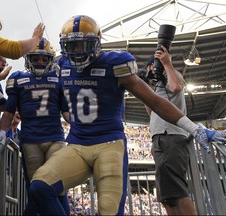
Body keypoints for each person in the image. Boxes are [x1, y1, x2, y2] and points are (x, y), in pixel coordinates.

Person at [23, 15, 226, 215]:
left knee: (109, 211)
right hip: (77, 144)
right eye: (71, 45)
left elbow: (154, 101)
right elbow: (40, 82)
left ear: (95, 43)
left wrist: (194, 127)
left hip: (109, 145)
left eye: (81, 45)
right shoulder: (62, 66)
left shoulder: (115, 64)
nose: (76, 52)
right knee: (40, 187)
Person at [0, 37, 70, 215]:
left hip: (54, 138)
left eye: (44, 59)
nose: (40, 62)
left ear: (50, 60)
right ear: (28, 59)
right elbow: (9, 111)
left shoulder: (58, 78)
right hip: (31, 140)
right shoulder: (18, 79)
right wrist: (2, 131)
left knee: (58, 184)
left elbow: (66, 112)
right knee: (36, 188)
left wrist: (83, 125)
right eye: (36, 58)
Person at [143, 48, 196, 215]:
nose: (147, 72)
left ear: (153, 65)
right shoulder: (157, 85)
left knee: (178, 191)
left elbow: (176, 87)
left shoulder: (172, 75)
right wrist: (148, 90)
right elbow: (151, 112)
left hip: (171, 137)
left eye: (148, 68)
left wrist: (167, 63)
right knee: (167, 196)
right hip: (160, 138)